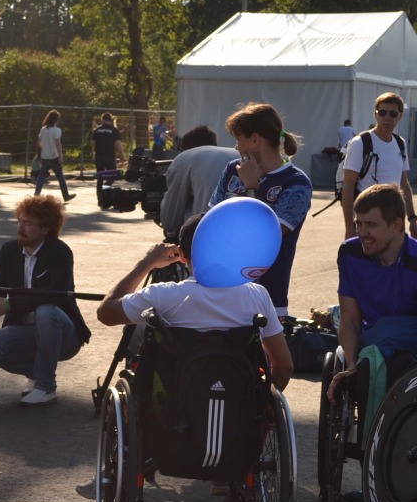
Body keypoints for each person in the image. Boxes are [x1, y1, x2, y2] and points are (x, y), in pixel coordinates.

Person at [96, 214, 293, 392]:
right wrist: (263, 407)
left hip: (174, 403)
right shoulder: (258, 295)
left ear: (182, 255)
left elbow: (106, 313)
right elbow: (284, 366)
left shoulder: (163, 295)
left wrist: (146, 263)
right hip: (239, 404)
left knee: (136, 332)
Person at [328, 183, 417, 398]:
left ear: (396, 225)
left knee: (395, 352)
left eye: (371, 225)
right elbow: (350, 319)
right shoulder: (349, 254)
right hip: (374, 342)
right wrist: (352, 366)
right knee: (369, 365)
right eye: (358, 223)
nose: (362, 233)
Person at [0, 195, 91, 406]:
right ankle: (37, 375)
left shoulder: (59, 251)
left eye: (27, 223)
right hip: (25, 329)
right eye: (19, 221)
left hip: (63, 334)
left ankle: (46, 387)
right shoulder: (9, 250)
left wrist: (7, 305)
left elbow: (56, 292)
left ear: (46, 228)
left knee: (46, 309)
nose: (20, 228)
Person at [208, 103, 312, 319]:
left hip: (266, 299)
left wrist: (251, 188)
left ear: (255, 140)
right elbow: (210, 221)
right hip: (221, 291)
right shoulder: (232, 169)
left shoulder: (296, 183)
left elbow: (262, 238)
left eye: (238, 139)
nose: (236, 147)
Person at [340, 92, 417, 241]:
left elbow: (403, 183)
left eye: (393, 114)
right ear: (375, 114)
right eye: (382, 112)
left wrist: (412, 218)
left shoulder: (400, 143)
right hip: (368, 220)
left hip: (394, 219)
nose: (387, 117)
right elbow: (348, 185)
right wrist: (350, 227)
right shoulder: (360, 143)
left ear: (400, 116)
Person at [158, 124, 238, 240]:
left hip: (206, 234)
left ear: (185, 148)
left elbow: (170, 221)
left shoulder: (184, 157)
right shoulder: (237, 154)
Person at [34, 109, 76, 202]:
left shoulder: (43, 129)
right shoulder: (57, 130)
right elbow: (58, 144)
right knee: (60, 177)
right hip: (54, 157)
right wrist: (60, 156)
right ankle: (66, 196)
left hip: (45, 156)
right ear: (56, 120)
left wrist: (40, 155)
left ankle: (36, 195)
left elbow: (38, 143)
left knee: (41, 176)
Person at [91, 112, 127, 208]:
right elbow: (118, 145)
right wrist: (122, 157)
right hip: (109, 156)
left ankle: (100, 200)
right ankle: (105, 191)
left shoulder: (97, 130)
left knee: (100, 178)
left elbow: (93, 143)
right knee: (112, 176)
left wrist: (96, 149)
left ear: (102, 119)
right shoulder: (114, 130)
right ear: (111, 120)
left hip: (99, 156)